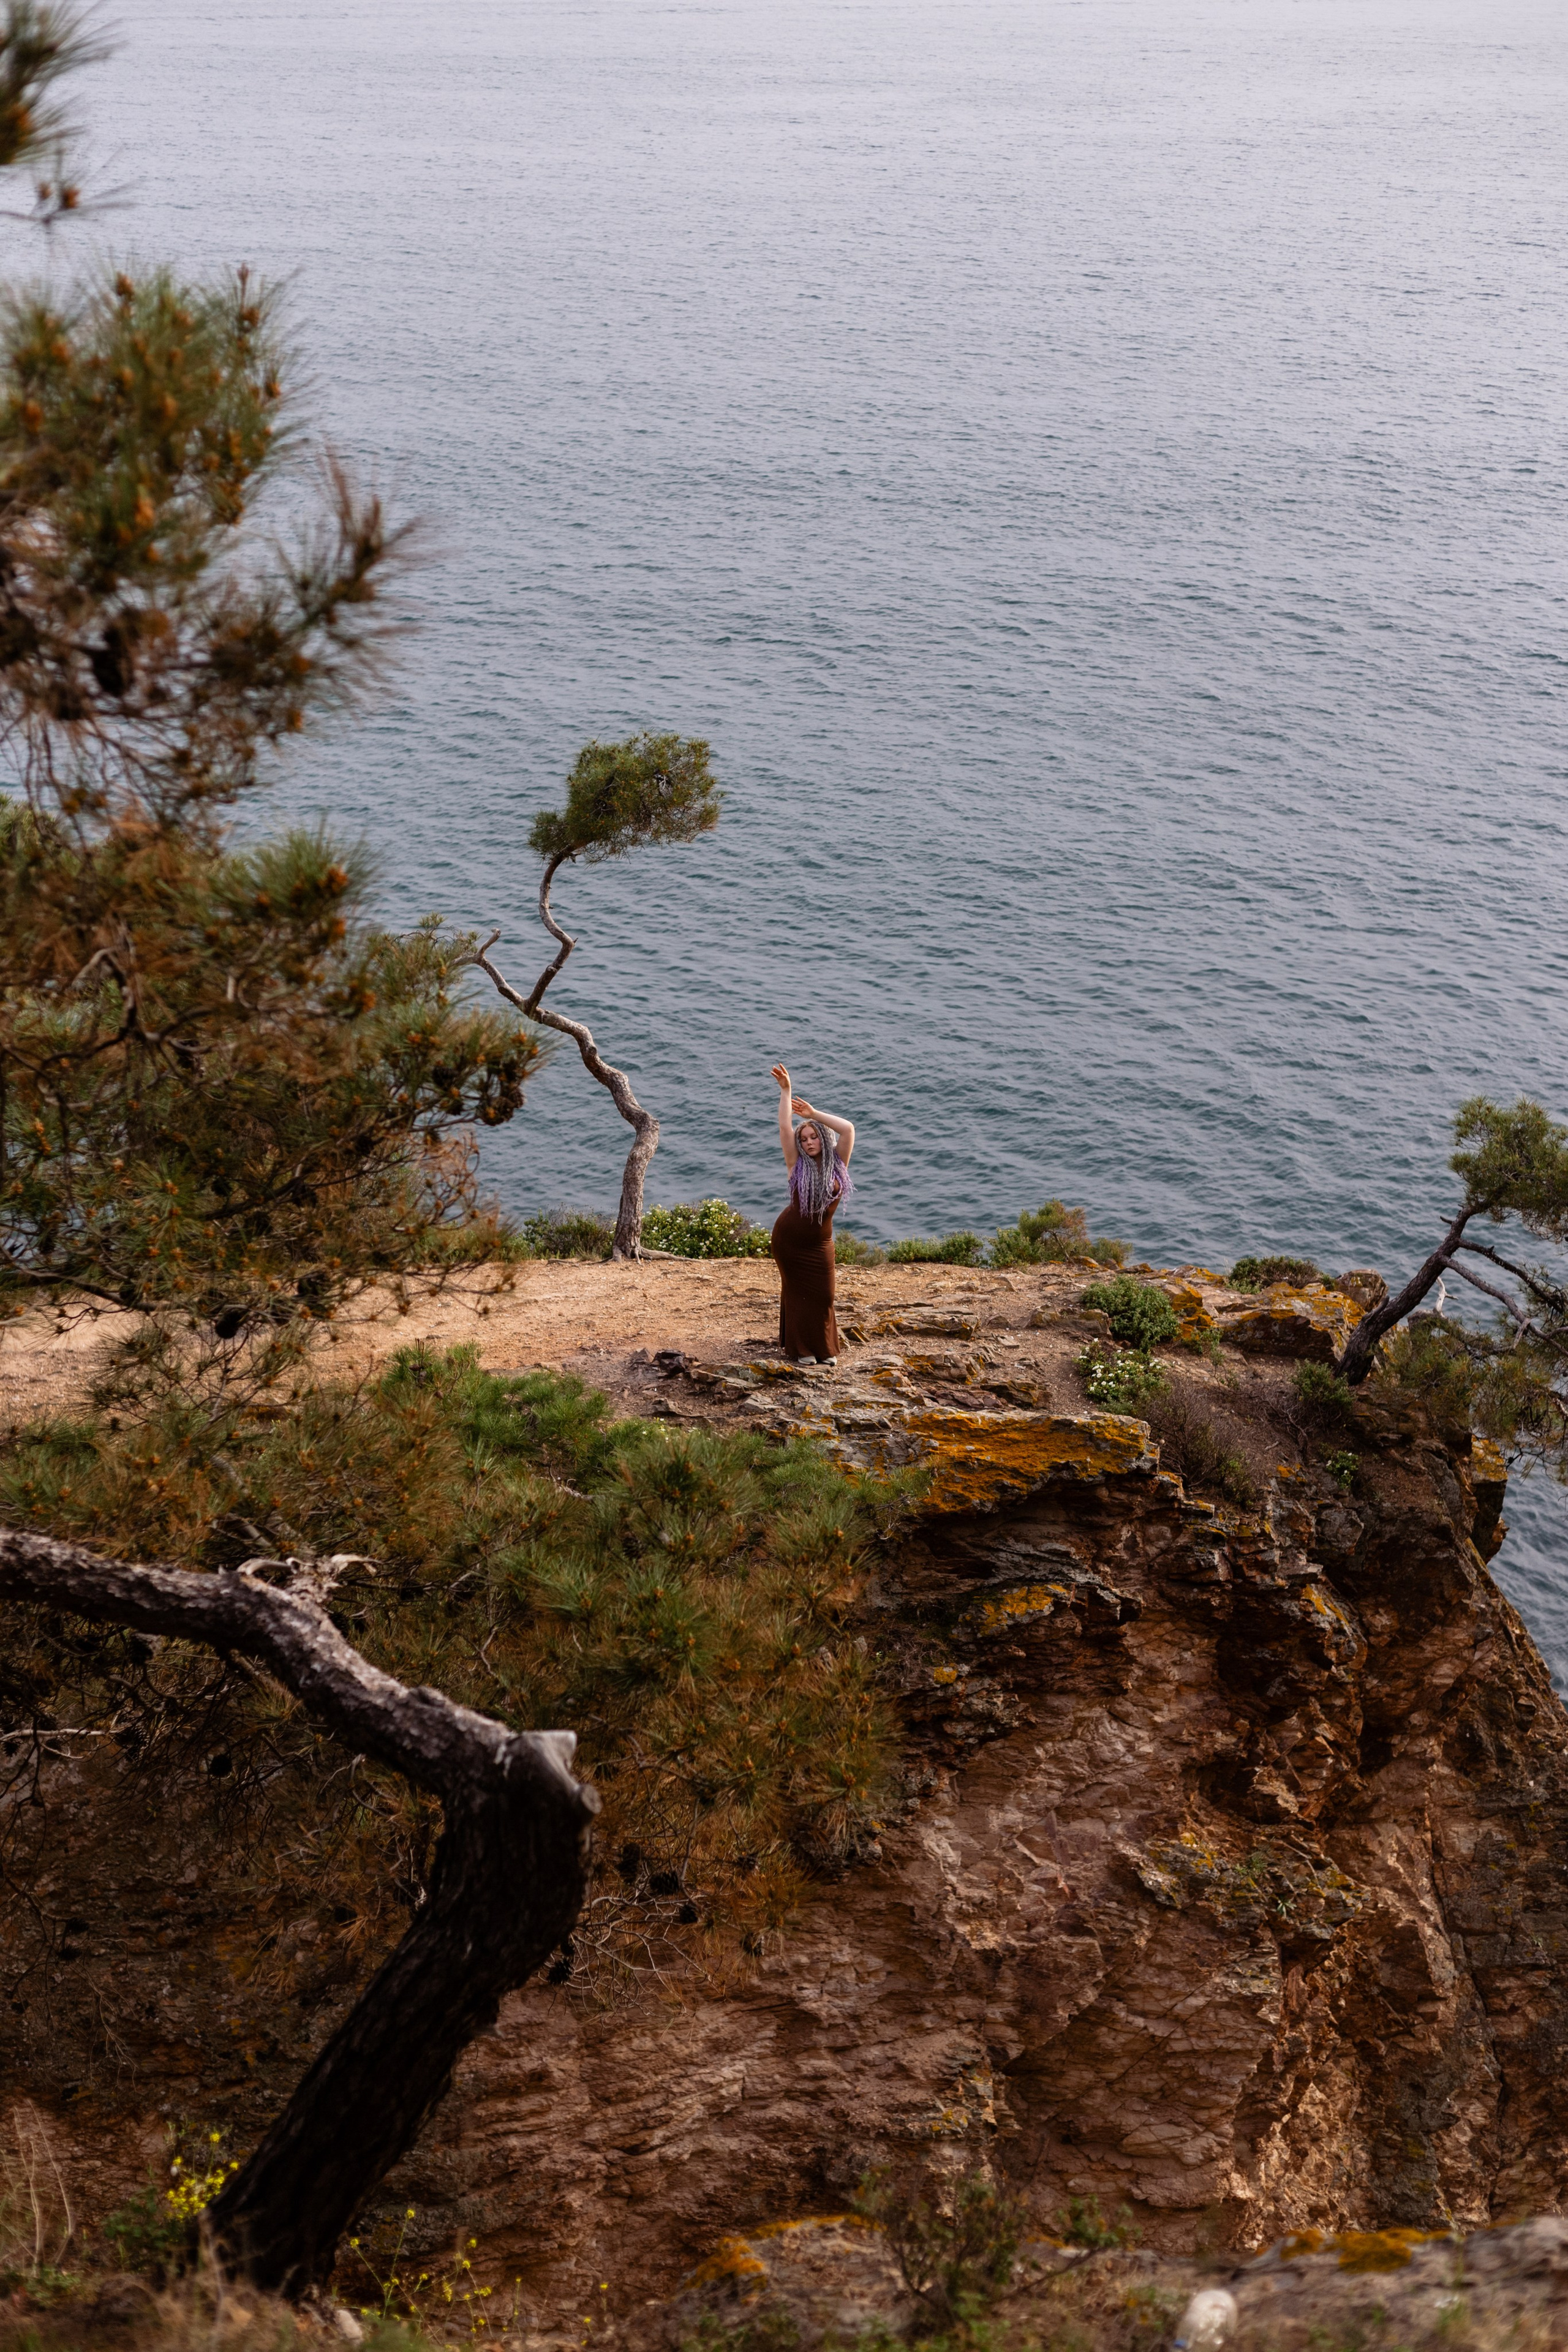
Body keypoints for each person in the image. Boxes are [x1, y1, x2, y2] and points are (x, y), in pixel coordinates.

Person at [769, 1063, 856, 1365]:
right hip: (789, 1241)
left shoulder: (838, 1165)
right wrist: (786, 1091)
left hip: (820, 1244)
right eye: (804, 1139)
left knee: (825, 1295)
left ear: (823, 1138)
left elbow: (847, 1129)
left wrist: (813, 1114)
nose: (808, 1142)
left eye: (813, 1137)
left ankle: (824, 1349)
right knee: (796, 1293)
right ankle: (800, 1349)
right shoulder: (796, 1165)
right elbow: (783, 1128)